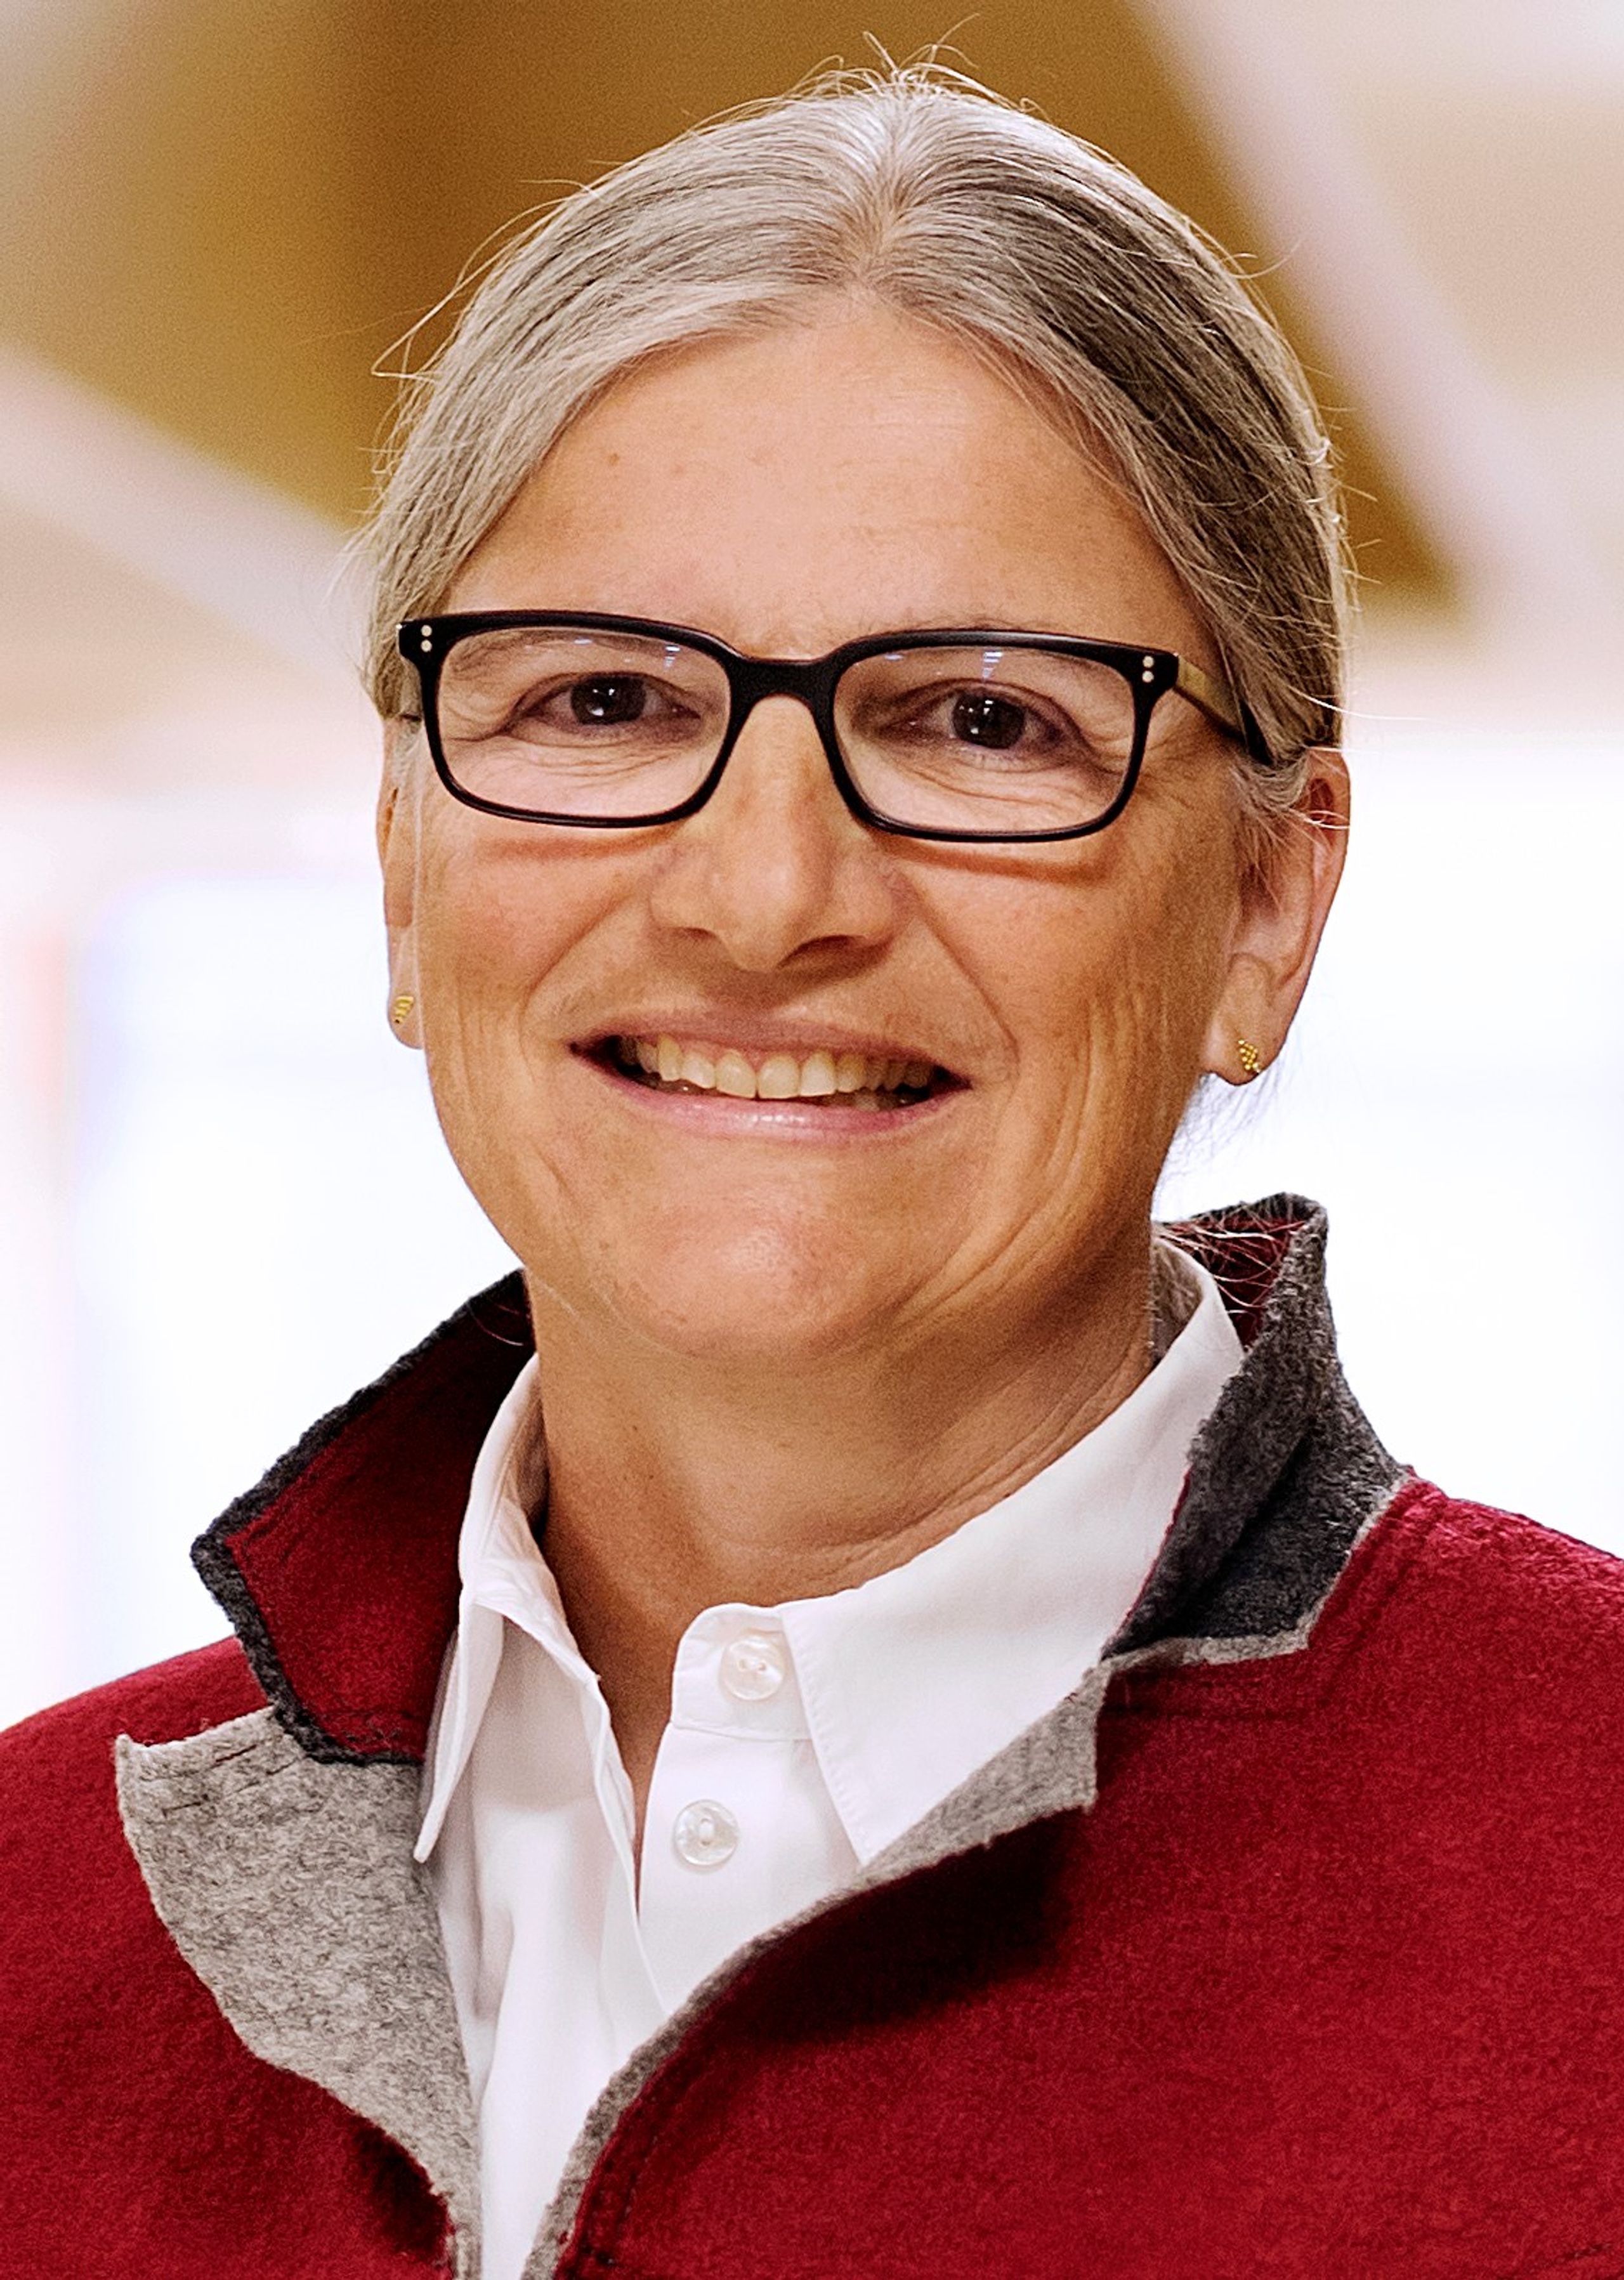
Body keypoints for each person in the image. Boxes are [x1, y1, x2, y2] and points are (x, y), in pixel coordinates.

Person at [4, 65, 1623, 2280]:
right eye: (603, 704)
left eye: (982, 721)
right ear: (401, 861)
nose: (766, 897)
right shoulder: (28, 1921)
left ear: (1268, 904)